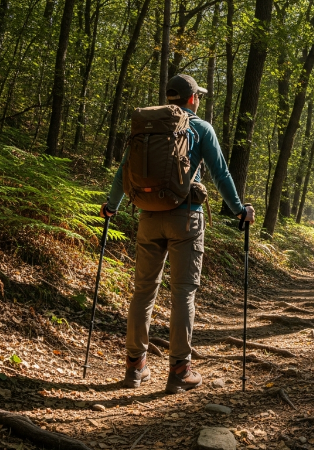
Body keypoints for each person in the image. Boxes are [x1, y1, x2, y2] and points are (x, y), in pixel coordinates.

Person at [100, 74, 255, 394]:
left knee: (143, 291)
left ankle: (135, 368)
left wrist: (111, 207)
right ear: (192, 98)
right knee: (183, 292)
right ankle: (180, 371)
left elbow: (122, 173)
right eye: (198, 96)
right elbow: (221, 174)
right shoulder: (201, 128)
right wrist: (240, 210)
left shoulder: (147, 128)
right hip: (186, 219)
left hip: (148, 217)